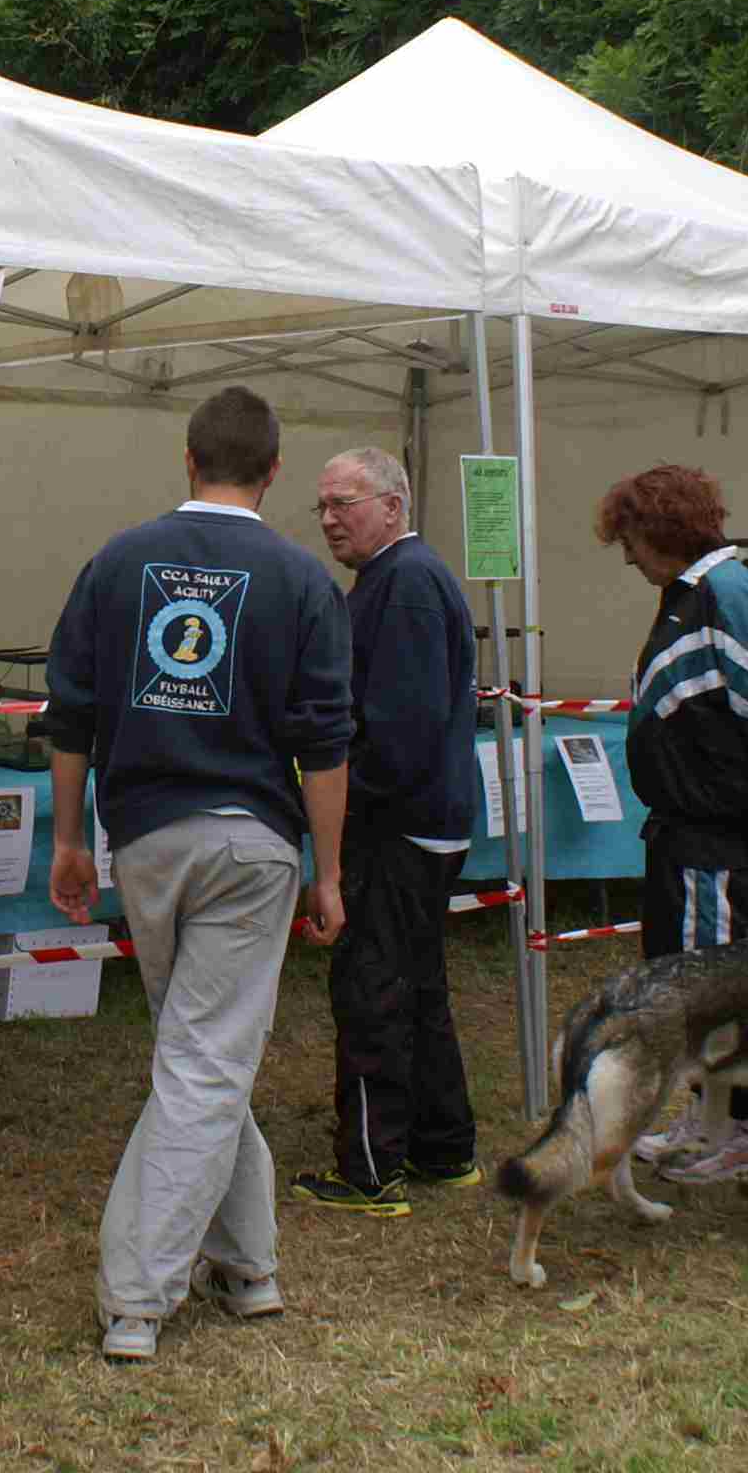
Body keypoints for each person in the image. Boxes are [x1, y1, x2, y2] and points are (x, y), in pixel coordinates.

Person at [45, 386, 353, 1364]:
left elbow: (69, 715)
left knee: (196, 1055)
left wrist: (67, 838)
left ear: (187, 458)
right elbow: (326, 743)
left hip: (144, 837)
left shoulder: (117, 560)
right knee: (204, 1061)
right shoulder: (301, 578)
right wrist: (330, 870)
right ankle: (139, 1297)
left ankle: (248, 1264)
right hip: (252, 841)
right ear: (274, 471)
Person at [594, 463, 748, 1185]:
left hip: (710, 831)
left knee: (710, 988)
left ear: (661, 529)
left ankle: (734, 1133)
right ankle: (705, 1118)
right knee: (687, 982)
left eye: (630, 539)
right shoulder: (692, 595)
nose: (627, 556)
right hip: (683, 829)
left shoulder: (727, 593)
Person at [288, 444, 481, 1216]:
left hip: (397, 829)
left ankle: (371, 1171)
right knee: (418, 987)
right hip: (424, 822)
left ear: (393, 506)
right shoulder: (397, 579)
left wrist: (329, 801)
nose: (329, 519)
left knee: (373, 993)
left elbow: (399, 736)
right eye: (323, 506)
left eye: (345, 503)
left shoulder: (404, 586)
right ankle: (445, 1148)